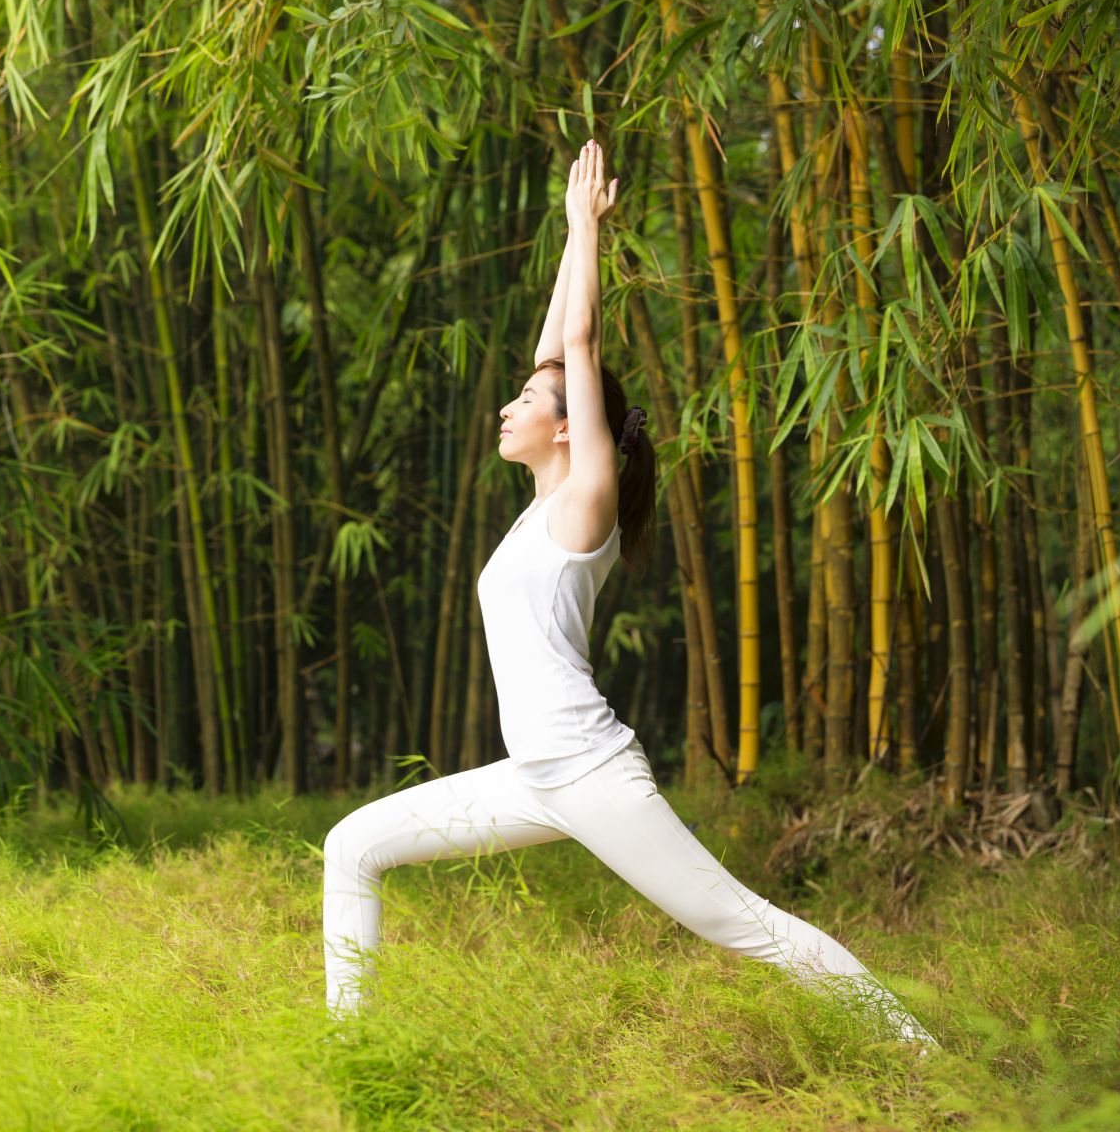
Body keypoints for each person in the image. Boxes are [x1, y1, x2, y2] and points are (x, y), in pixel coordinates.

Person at [321, 139, 938, 1055]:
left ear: (571, 429)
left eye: (524, 401)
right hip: (532, 777)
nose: (506, 407)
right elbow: (553, 350)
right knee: (352, 846)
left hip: (589, 773)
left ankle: (921, 1051)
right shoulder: (542, 507)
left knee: (740, 923)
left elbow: (577, 348)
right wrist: (576, 241)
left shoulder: (585, 502)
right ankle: (350, 1055)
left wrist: (584, 232)